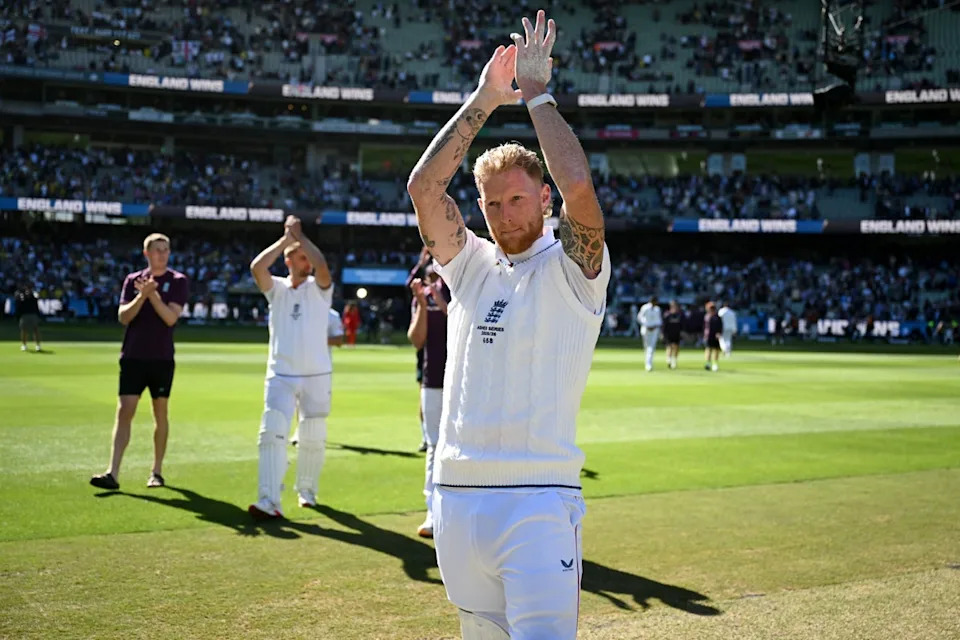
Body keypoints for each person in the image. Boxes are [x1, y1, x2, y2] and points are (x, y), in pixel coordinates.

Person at [406, 11, 610, 638]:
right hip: (457, 499)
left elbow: (579, 184)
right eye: (491, 203)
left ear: (542, 200)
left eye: (517, 198)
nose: (502, 213)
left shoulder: (575, 266)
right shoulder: (471, 264)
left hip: (537, 501)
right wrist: (486, 98)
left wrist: (539, 94)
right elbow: (423, 187)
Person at [248, 215, 333, 519]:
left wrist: (302, 239)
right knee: (271, 432)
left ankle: (307, 491)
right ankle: (268, 500)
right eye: (300, 256)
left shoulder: (320, 288)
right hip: (281, 374)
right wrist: (286, 239)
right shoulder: (277, 290)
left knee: (312, 435)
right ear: (288, 260)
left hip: (316, 375)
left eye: (307, 255)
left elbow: (322, 267)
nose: (307, 260)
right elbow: (257, 267)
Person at [90, 233, 189, 490]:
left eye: (165, 250)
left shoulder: (178, 281)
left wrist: (152, 295)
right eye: (157, 250)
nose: (162, 254)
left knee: (160, 413)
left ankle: (156, 471)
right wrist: (142, 295)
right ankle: (113, 472)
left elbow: (170, 318)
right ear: (146, 253)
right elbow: (124, 316)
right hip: (133, 356)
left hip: (161, 358)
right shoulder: (132, 280)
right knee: (124, 412)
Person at [406, 263, 449, 539]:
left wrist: (439, 300)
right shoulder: (421, 294)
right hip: (433, 379)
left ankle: (460, 513)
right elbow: (416, 339)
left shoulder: (461, 286)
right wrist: (422, 303)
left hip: (464, 380)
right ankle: (433, 514)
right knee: (434, 446)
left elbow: (463, 324)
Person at [14, 283, 42, 352]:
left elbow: (37, 300)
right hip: (24, 315)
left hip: (33, 314)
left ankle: (37, 345)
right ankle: (24, 345)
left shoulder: (34, 294)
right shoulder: (21, 295)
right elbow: (19, 302)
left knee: (36, 330)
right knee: (24, 330)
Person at [638, 295, 662, 372]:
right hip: (646, 329)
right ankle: (647, 363)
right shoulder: (645, 308)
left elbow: (659, 320)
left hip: (654, 330)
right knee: (647, 347)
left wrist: (655, 326)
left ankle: (648, 364)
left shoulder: (657, 309)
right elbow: (639, 317)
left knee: (651, 347)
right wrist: (646, 325)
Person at [663, 300, 683, 369]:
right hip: (669, 334)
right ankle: (669, 360)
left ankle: (674, 360)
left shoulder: (679, 315)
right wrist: (663, 333)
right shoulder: (667, 315)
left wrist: (682, 332)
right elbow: (664, 325)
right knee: (669, 347)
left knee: (676, 347)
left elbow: (682, 325)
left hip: (677, 333)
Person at [704, 301, 722, 371]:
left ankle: (715, 364)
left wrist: (719, 333)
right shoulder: (707, 316)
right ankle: (708, 363)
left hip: (715, 336)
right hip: (708, 335)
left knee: (716, 350)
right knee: (708, 349)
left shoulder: (717, 317)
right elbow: (704, 327)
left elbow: (720, 326)